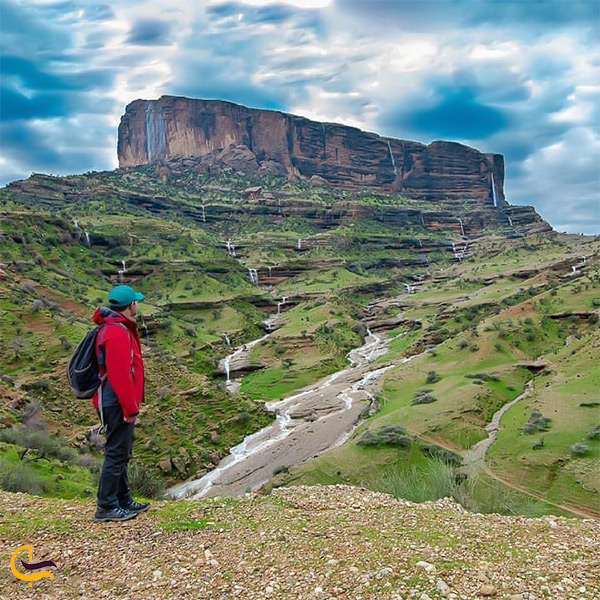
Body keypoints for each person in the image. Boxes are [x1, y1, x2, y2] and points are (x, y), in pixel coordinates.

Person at [92, 285, 148, 522]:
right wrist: (130, 408)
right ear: (130, 305)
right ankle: (106, 507)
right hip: (116, 403)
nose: (138, 304)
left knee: (122, 452)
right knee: (116, 453)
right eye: (136, 301)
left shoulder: (115, 329)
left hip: (114, 401)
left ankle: (123, 499)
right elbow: (119, 375)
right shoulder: (116, 333)